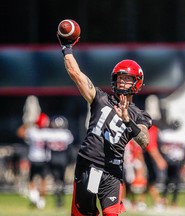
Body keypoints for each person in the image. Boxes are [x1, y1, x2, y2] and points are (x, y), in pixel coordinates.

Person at [57, 32, 152, 216]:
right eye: (120, 77)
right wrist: (66, 48)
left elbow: (145, 141)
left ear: (137, 83)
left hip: (112, 171)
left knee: (110, 213)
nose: (122, 81)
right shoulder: (100, 99)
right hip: (87, 163)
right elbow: (76, 74)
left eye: (127, 78)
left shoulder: (140, 115)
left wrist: (127, 120)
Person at [16, 112, 51, 209]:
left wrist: (28, 123)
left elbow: (19, 132)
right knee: (43, 181)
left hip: (34, 159)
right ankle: (41, 201)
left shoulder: (32, 132)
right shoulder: (48, 132)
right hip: (44, 159)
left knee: (31, 180)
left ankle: (35, 198)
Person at [158, 120, 185, 208]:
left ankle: (174, 201)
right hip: (168, 160)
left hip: (178, 161)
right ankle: (164, 199)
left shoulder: (182, 135)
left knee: (176, 182)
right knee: (167, 181)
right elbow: (161, 147)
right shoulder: (166, 134)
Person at [47, 115, 74, 208]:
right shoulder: (66, 133)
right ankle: (60, 199)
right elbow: (70, 150)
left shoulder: (50, 133)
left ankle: (58, 199)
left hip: (54, 158)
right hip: (62, 158)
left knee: (56, 180)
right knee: (62, 180)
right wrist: (70, 160)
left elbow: (47, 148)